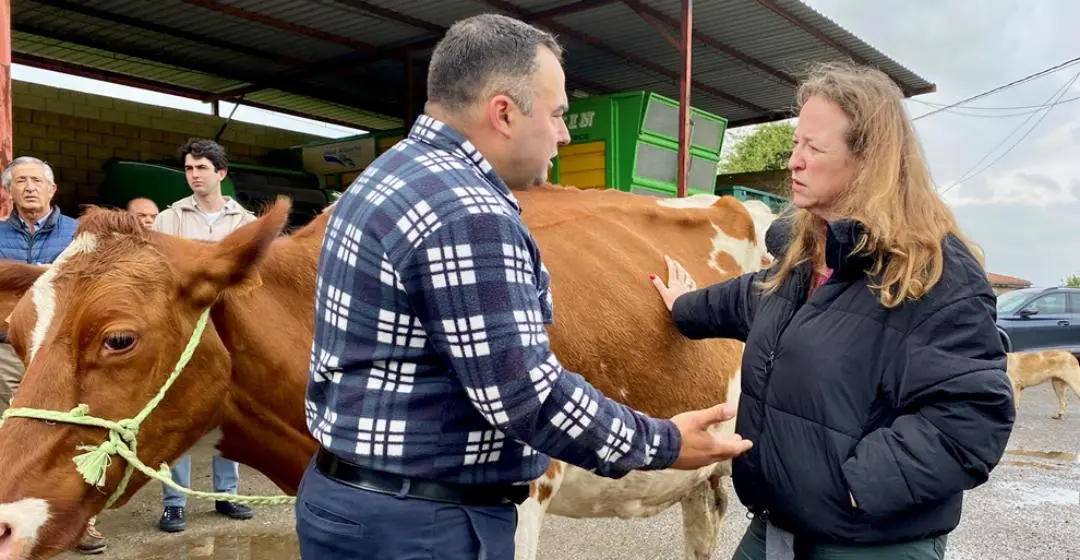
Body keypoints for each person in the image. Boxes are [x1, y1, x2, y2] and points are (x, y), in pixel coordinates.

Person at [298, 13, 753, 559]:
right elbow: (523, 396)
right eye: (558, 114)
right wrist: (664, 442)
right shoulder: (467, 212)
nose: (563, 132)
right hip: (426, 528)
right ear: (504, 113)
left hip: (352, 503)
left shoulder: (384, 176)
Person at [650, 61, 1016, 560]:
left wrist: (855, 487)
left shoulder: (935, 275)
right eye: (795, 144)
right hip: (778, 528)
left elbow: (972, 420)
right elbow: (750, 299)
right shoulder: (806, 259)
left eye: (813, 147)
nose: (794, 162)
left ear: (868, 162)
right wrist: (683, 307)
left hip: (868, 543)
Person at [152, 138, 256, 532]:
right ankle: (175, 502)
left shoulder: (244, 223)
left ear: (221, 174)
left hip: (229, 329)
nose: (194, 175)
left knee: (226, 411)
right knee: (178, 413)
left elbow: (255, 279)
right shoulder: (170, 219)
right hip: (182, 328)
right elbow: (157, 274)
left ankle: (227, 495)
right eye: (189, 169)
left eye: (202, 169)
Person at [0, 156, 102, 555]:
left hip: (63, 353)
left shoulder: (80, 236)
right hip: (8, 350)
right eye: (20, 181)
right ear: (8, 191)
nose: (29, 187)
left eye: (36, 181)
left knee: (73, 433)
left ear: (52, 189)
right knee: (9, 434)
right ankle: (10, 517)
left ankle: (84, 523)